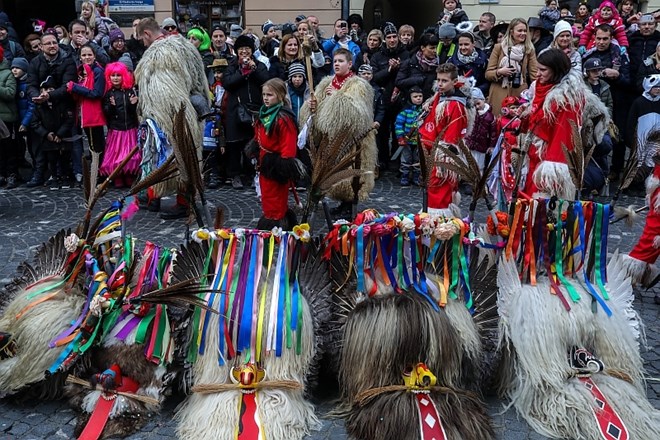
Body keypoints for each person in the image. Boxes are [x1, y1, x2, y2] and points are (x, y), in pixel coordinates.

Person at [135, 17, 211, 219]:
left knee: (167, 154)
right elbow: (198, 81)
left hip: (171, 116)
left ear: (147, 34)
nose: (143, 44)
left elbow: (162, 93)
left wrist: (153, 116)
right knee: (188, 155)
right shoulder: (185, 46)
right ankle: (180, 200)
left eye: (142, 40)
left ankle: (177, 202)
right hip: (189, 112)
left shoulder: (158, 54)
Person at [299, 48, 377, 215]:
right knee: (336, 173)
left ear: (349, 64)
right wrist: (312, 106)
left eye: (340, 61)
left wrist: (336, 96)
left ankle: (351, 205)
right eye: (335, 61)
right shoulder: (326, 82)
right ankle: (342, 202)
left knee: (352, 171)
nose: (336, 64)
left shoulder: (359, 85)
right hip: (332, 138)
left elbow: (358, 112)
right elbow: (317, 104)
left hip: (353, 139)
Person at [521, 48, 590, 199]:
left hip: (547, 164)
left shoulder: (566, 100)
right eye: (537, 69)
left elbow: (563, 138)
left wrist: (551, 175)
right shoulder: (543, 89)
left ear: (556, 70)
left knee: (542, 212)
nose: (537, 74)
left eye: (543, 70)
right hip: (534, 159)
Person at [25, 30, 77, 187]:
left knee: (65, 143)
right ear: (41, 46)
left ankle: (66, 174)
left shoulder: (67, 61)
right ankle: (45, 173)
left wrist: (51, 95)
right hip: (42, 108)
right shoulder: (35, 62)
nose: (52, 46)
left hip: (63, 106)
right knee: (43, 143)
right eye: (48, 43)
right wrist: (37, 96)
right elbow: (31, 84)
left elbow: (68, 85)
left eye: (54, 42)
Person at [251, 78, 304, 229]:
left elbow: (288, 146)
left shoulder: (284, 119)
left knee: (275, 201)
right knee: (267, 199)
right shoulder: (264, 114)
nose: (266, 98)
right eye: (264, 95)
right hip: (264, 164)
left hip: (275, 168)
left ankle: (276, 228)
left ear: (280, 96)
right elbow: (259, 137)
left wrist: (283, 167)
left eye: (270, 95)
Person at [418, 63, 471, 216]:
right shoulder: (440, 97)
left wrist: (443, 161)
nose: (440, 84)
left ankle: (438, 223)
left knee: (438, 191)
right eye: (438, 80)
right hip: (431, 149)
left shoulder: (456, 105)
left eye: (444, 81)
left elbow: (452, 137)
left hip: (442, 154)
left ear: (455, 82)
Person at [223, 34, 269, 190]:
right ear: (237, 51)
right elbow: (228, 83)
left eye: (247, 48)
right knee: (235, 144)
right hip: (235, 111)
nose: (244, 51)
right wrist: (242, 72)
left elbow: (266, 80)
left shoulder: (259, 65)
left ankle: (251, 173)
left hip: (254, 111)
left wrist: (253, 69)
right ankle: (235, 174)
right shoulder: (231, 66)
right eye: (241, 49)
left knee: (252, 144)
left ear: (252, 50)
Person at [29, 76, 75, 188]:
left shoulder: (63, 103)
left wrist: (60, 134)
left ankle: (65, 177)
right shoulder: (39, 106)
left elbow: (69, 119)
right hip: (48, 138)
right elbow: (34, 122)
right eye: (43, 90)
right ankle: (54, 177)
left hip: (62, 136)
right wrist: (46, 134)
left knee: (65, 158)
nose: (45, 93)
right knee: (52, 159)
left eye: (49, 90)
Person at [485, 18, 538, 115]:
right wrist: (499, 72)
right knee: (497, 124)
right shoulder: (498, 47)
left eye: (525, 31)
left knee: (515, 125)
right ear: (511, 32)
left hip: (519, 93)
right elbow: (488, 74)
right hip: (499, 91)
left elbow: (534, 75)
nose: (523, 33)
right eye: (520, 30)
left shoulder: (529, 50)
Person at [100, 62, 139, 187]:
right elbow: (106, 113)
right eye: (113, 75)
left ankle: (128, 175)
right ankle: (118, 176)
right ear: (109, 77)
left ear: (123, 76)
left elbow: (134, 112)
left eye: (118, 75)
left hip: (130, 128)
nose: (116, 78)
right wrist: (111, 107)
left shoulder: (129, 91)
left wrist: (134, 104)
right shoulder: (108, 94)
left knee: (130, 155)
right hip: (116, 129)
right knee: (116, 155)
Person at [67, 44, 106, 159]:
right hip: (84, 115)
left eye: (90, 54)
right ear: (80, 57)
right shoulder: (82, 72)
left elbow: (96, 93)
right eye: (84, 55)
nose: (87, 57)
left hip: (94, 116)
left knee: (97, 147)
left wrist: (75, 87)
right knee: (92, 145)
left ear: (94, 56)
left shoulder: (98, 71)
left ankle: (99, 174)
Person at [628, 74, 660, 182]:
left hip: (655, 139)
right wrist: (630, 139)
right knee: (638, 162)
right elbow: (631, 122)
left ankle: (648, 184)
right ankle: (633, 184)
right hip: (640, 139)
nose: (658, 89)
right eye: (656, 86)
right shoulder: (639, 102)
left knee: (652, 161)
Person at [10, 57, 34, 186]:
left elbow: (31, 106)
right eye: (13, 67)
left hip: (27, 121)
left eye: (17, 68)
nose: (14, 70)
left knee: (33, 146)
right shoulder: (15, 83)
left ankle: (36, 170)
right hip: (18, 120)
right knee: (19, 146)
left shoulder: (27, 84)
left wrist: (25, 122)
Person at [396, 33, 441, 100]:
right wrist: (417, 80)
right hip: (410, 103)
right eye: (431, 48)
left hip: (430, 102)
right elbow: (398, 82)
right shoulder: (410, 63)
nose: (434, 51)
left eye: (436, 47)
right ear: (422, 48)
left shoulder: (439, 65)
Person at [395, 86, 423, 186]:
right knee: (406, 159)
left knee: (417, 159)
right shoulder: (405, 111)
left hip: (419, 141)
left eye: (420, 96)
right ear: (410, 98)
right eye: (415, 96)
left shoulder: (423, 111)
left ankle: (416, 177)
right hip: (406, 140)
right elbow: (398, 125)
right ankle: (405, 176)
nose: (418, 98)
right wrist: (400, 137)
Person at [465, 87, 496, 172]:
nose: (477, 107)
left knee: (479, 165)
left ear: (484, 100)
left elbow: (493, 133)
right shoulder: (470, 113)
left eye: (478, 103)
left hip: (482, 145)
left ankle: (478, 180)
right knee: (468, 162)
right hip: (470, 143)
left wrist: (491, 146)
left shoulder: (489, 117)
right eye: (474, 105)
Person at [0, 44, 18, 189]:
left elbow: (10, 93)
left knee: (9, 148)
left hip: (6, 117)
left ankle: (11, 174)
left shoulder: (7, 73)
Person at [629, 14, 660, 90]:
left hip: (653, 79)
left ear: (656, 25)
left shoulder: (659, 38)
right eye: (643, 24)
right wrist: (627, 22)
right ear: (639, 26)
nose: (646, 27)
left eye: (650, 24)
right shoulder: (632, 38)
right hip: (631, 78)